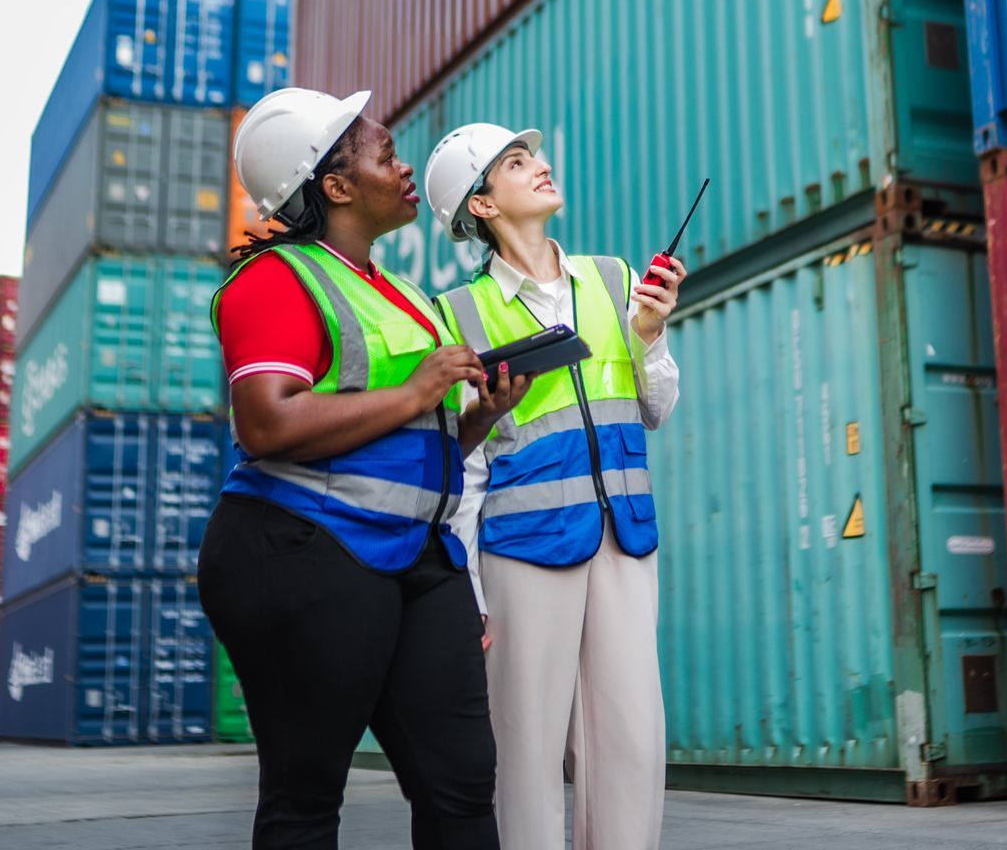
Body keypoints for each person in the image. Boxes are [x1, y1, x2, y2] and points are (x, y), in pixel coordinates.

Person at [197, 88, 530, 850]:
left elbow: (413, 435)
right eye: (385, 155)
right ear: (336, 186)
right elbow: (267, 421)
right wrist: (415, 389)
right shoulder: (277, 279)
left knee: (463, 782)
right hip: (300, 550)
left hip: (417, 555)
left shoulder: (404, 295)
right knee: (307, 794)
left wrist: (474, 413)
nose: (405, 166)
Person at [422, 123, 686, 850]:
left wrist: (652, 336)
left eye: (533, 155)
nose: (539, 166)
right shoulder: (457, 316)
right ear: (480, 206)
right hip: (522, 549)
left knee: (632, 739)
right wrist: (469, 591)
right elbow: (463, 468)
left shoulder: (613, 280)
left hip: (624, 539)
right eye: (516, 162)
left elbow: (654, 410)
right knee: (526, 747)